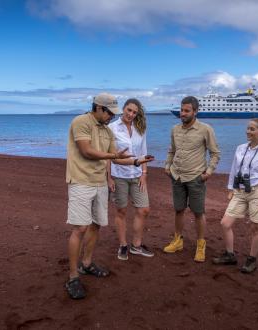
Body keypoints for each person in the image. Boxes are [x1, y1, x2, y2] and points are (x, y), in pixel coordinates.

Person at [65, 93, 153, 300]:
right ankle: (72, 276)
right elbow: (86, 151)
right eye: (109, 113)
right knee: (80, 228)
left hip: (99, 184)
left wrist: (137, 162)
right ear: (98, 108)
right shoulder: (80, 122)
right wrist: (114, 157)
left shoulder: (106, 130)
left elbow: (117, 158)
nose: (112, 117)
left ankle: (86, 264)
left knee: (96, 225)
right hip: (81, 181)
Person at [212, 118, 258, 274]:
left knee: (256, 227)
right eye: (248, 128)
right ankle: (229, 255)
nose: (248, 131)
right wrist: (231, 188)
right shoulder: (241, 148)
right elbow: (235, 169)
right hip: (240, 191)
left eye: (252, 129)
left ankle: (252, 260)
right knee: (225, 223)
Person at [163, 96, 220, 262]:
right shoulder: (175, 129)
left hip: (196, 177)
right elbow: (172, 150)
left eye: (187, 110)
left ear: (195, 111)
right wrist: (167, 166)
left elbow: (215, 153)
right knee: (179, 209)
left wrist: (208, 172)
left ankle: (201, 245)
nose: (183, 113)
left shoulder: (205, 129)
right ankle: (177, 241)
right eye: (182, 110)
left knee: (198, 212)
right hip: (177, 176)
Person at [107, 98, 154, 260]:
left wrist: (144, 173)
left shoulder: (140, 128)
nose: (131, 114)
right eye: (129, 110)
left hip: (137, 175)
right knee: (121, 211)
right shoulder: (111, 128)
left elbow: (144, 151)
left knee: (144, 209)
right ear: (123, 109)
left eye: (134, 112)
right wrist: (109, 178)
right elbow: (109, 156)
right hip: (119, 175)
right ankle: (123, 245)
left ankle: (136, 245)